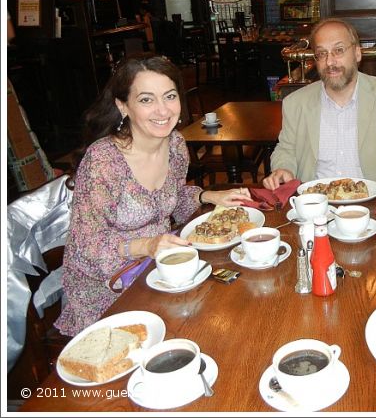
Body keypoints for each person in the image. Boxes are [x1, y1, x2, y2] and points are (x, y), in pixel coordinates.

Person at [55, 53, 251, 336]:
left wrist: (209, 197)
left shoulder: (175, 144)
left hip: (159, 271)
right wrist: (146, 245)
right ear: (123, 106)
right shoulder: (103, 162)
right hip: (107, 292)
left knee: (231, 312)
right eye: (146, 99)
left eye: (169, 96)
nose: (163, 110)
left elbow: (169, 201)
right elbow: (86, 248)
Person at [262, 17, 376, 193]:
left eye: (338, 50)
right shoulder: (295, 103)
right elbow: (286, 149)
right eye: (322, 53)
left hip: (374, 203)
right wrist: (283, 169)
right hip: (316, 206)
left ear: (357, 53)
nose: (330, 62)